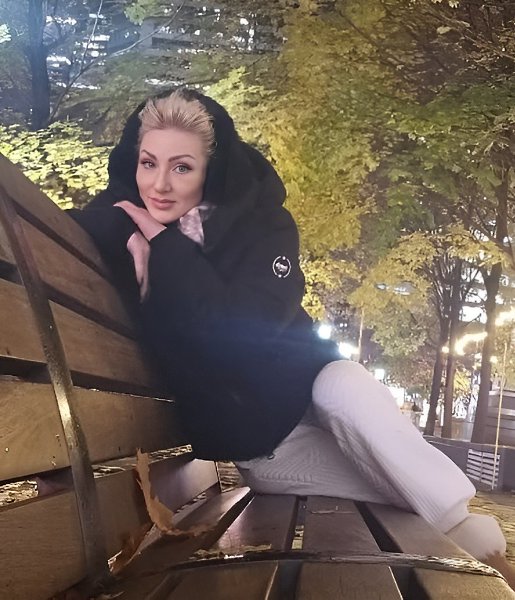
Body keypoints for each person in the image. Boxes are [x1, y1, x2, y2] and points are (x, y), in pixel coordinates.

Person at [69, 88, 513, 583]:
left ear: (211, 170)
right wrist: (141, 237)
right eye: (149, 163)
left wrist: (164, 247)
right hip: (268, 447)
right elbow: (82, 228)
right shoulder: (124, 222)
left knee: (341, 386)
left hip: (312, 387)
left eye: (182, 168)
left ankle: (490, 565)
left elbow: (236, 336)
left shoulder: (264, 225)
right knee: (406, 494)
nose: (160, 185)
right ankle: (483, 560)